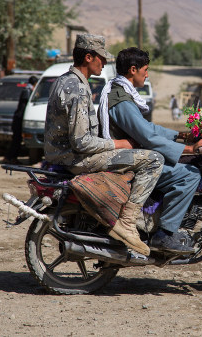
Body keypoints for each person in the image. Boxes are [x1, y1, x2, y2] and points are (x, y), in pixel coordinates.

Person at [44, 34, 164, 256]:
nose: (105, 62)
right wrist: (119, 143)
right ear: (88, 57)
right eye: (101, 58)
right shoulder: (77, 88)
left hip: (63, 154)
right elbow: (81, 141)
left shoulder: (66, 80)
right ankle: (128, 223)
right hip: (76, 158)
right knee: (154, 160)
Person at [98, 47, 202, 254]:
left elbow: (148, 128)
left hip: (131, 157)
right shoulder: (120, 100)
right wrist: (189, 148)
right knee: (189, 175)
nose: (147, 74)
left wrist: (180, 135)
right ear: (133, 70)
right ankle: (165, 234)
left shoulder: (122, 94)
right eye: (145, 70)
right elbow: (146, 136)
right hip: (127, 164)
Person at [3, 75, 38, 164]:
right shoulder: (27, 91)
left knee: (17, 140)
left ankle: (12, 157)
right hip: (19, 119)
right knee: (16, 140)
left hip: (19, 119)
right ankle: (9, 157)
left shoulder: (27, 90)